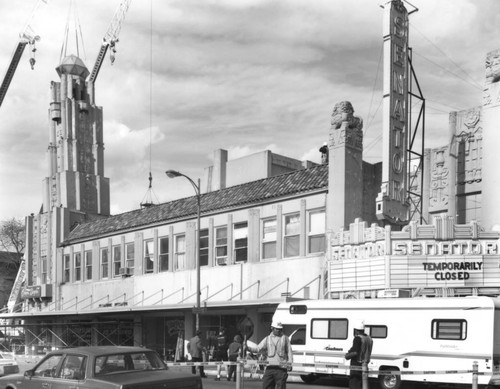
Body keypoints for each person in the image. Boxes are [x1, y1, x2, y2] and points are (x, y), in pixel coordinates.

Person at [247, 321, 293, 389]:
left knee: (281, 387)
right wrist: (247, 348)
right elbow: (258, 349)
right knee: (266, 386)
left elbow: (289, 352)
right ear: (272, 328)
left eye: (280, 329)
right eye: (276, 329)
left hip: (281, 368)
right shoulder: (267, 339)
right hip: (270, 368)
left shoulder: (285, 338)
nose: (278, 330)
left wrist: (290, 364)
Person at [344, 320, 373, 389]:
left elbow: (355, 352)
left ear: (356, 330)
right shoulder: (369, 338)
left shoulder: (358, 338)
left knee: (355, 384)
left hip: (357, 365)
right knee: (363, 385)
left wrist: (347, 356)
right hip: (365, 365)